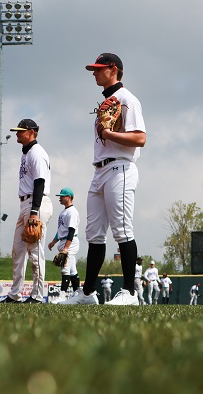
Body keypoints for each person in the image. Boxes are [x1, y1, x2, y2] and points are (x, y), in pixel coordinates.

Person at [59, 53, 146, 306]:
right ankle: (87, 294)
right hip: (99, 171)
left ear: (113, 69)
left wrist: (108, 132)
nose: (94, 73)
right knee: (94, 235)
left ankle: (129, 293)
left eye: (98, 69)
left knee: (122, 230)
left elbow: (140, 138)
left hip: (120, 168)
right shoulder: (108, 101)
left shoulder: (128, 99)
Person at [1, 119, 53, 304]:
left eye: (20, 131)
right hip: (26, 203)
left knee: (35, 252)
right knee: (18, 250)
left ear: (31, 132)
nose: (17, 134)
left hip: (35, 203)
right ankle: (15, 294)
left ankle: (37, 296)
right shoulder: (27, 153)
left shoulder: (37, 153)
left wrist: (34, 212)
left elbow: (40, 182)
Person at [47, 188, 79, 304]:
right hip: (63, 241)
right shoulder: (63, 212)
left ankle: (62, 295)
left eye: (62, 196)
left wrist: (66, 248)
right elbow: (60, 230)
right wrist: (53, 242)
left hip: (70, 242)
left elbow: (71, 231)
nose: (60, 198)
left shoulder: (72, 212)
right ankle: (77, 293)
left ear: (69, 197)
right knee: (72, 270)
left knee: (65, 269)